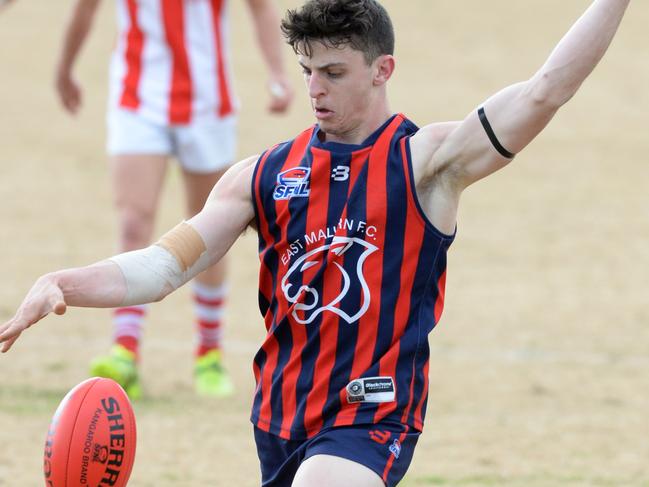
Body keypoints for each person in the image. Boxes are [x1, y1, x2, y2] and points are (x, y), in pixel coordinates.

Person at [1, 0, 631, 485]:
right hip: (276, 420)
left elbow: (547, 89)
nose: (314, 90)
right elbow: (163, 267)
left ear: (383, 70)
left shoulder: (426, 163)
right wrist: (64, 283)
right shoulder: (263, 176)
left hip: (372, 416)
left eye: (333, 72)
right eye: (307, 71)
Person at [54, 0, 293, 399]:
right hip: (138, 99)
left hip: (207, 103)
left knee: (210, 228)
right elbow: (86, 8)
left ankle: (209, 352)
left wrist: (277, 74)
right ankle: (125, 348)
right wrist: (65, 68)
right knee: (133, 220)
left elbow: (261, 9)